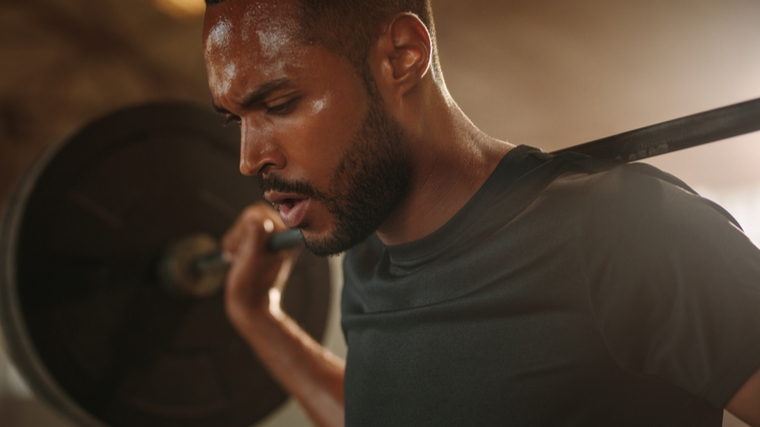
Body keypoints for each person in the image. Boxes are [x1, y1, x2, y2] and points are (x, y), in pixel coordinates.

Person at [201, 0, 760, 425]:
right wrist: (260, 319)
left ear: (401, 58)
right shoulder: (368, 252)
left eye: (278, 105)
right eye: (235, 119)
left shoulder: (626, 229)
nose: (251, 159)